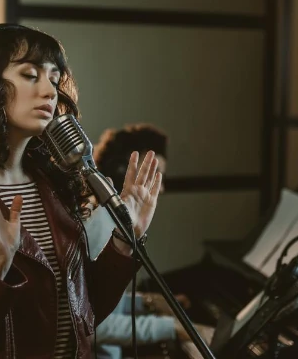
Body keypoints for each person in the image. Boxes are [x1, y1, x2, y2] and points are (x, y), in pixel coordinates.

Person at [0, 24, 163, 359]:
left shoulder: (54, 182)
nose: (49, 91)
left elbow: (84, 310)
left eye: (54, 79)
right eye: (30, 75)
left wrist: (125, 242)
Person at [88, 124, 214, 359]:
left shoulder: (109, 218)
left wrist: (148, 302)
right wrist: (174, 329)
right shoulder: (98, 222)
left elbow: (97, 296)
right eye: (155, 178)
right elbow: (93, 323)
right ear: (119, 172)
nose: (162, 188)